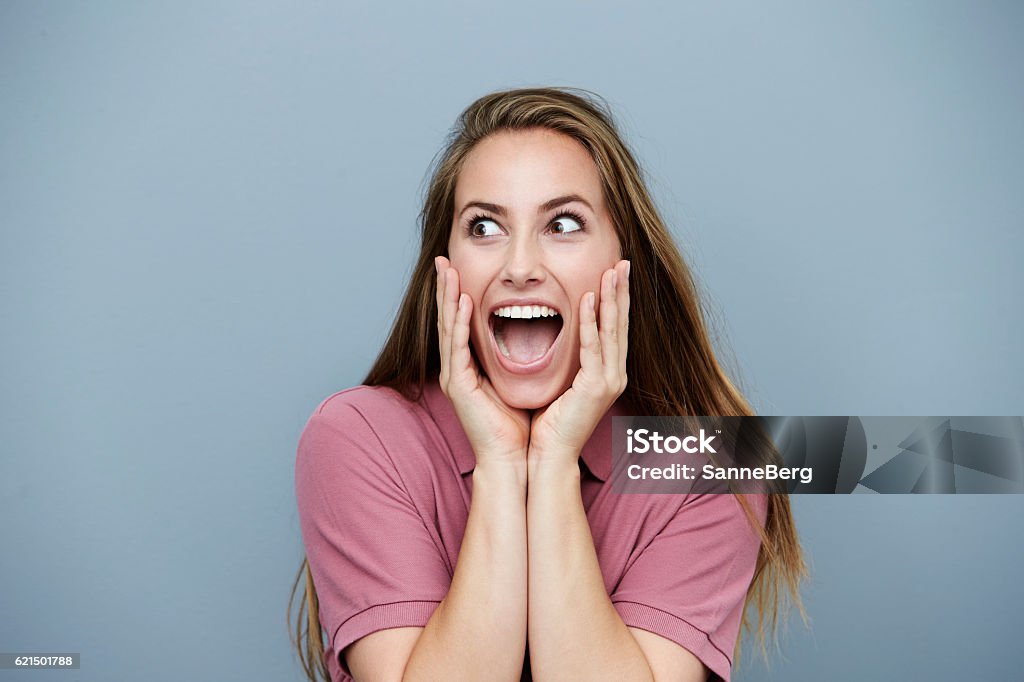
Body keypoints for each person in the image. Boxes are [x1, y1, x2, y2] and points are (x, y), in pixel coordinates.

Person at [290, 86, 806, 682]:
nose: (518, 267)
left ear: (624, 261)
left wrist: (556, 461)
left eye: (563, 224)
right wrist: (502, 463)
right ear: (446, 266)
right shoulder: (358, 436)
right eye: (484, 227)